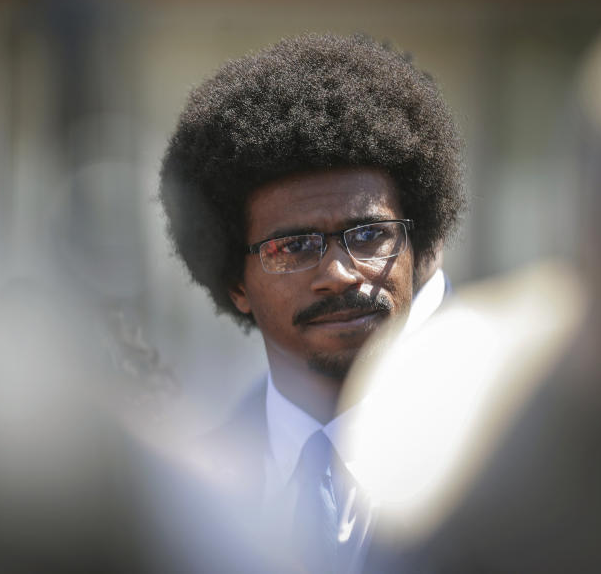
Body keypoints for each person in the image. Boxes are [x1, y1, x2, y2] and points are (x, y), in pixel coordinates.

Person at [158, 33, 465, 571]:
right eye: (293, 247)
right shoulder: (177, 499)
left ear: (416, 252)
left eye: (370, 234)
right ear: (237, 283)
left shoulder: (500, 461)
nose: (340, 273)